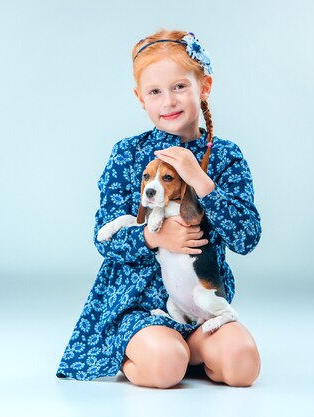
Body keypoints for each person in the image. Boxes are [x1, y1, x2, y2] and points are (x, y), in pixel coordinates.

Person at [56, 29, 262, 388]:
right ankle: (144, 349)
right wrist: (156, 237)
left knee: (242, 366)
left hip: (200, 304)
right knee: (165, 366)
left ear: (205, 87)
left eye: (180, 87)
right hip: (139, 305)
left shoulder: (227, 156)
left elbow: (247, 238)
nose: (168, 101)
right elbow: (104, 239)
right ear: (141, 98)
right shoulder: (128, 154)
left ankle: (190, 348)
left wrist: (200, 181)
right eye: (155, 91)